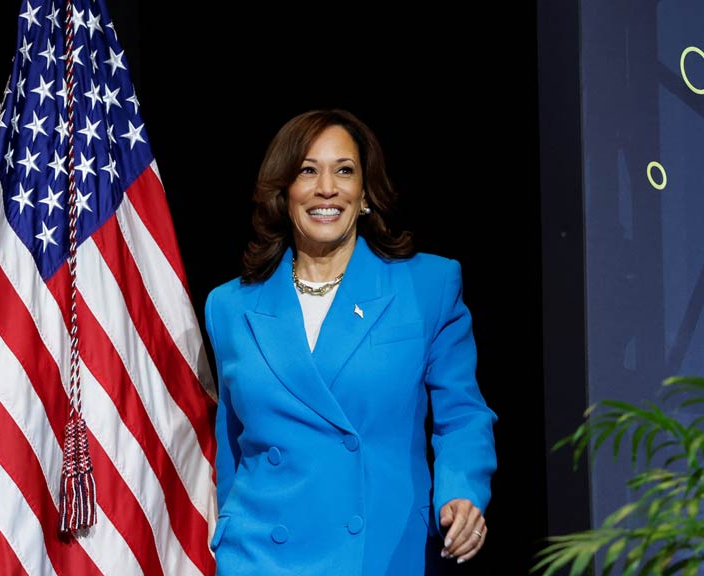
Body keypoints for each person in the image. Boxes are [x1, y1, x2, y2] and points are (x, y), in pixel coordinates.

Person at [203, 108, 497, 575]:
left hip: (381, 549)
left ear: (364, 192)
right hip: (260, 554)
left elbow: (462, 415)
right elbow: (232, 442)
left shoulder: (427, 285)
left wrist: (462, 491)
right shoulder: (229, 306)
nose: (327, 188)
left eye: (344, 171)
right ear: (284, 192)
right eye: (307, 171)